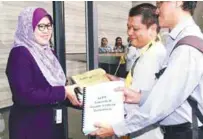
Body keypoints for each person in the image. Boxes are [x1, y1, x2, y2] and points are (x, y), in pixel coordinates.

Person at [90, 1, 203, 139]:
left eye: (160, 2)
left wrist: (117, 128)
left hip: (185, 133)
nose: (156, 10)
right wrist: (139, 96)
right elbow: (168, 92)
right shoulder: (177, 41)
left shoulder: (186, 48)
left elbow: (161, 103)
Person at [91, 3, 167, 139]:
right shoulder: (147, 51)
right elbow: (139, 88)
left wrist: (115, 129)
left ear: (153, 29)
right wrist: (118, 81)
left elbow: (146, 105)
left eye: (135, 29)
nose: (129, 33)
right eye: (128, 27)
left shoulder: (154, 56)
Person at [5, 7, 81, 139]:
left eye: (49, 26)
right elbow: (24, 95)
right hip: (30, 127)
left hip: (52, 125)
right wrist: (64, 92)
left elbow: (53, 89)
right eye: (41, 26)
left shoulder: (48, 53)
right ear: (28, 27)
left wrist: (74, 97)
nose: (46, 31)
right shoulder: (20, 54)